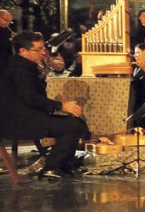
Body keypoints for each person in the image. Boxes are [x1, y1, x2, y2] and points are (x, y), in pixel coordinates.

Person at [0, 32, 90, 179]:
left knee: (76, 122)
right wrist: (61, 106)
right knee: (72, 126)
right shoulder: (19, 69)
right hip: (19, 121)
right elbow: (30, 98)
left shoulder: (23, 64)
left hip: (27, 115)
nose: (43, 52)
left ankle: (63, 165)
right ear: (23, 51)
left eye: (43, 48)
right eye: (38, 49)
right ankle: (52, 167)